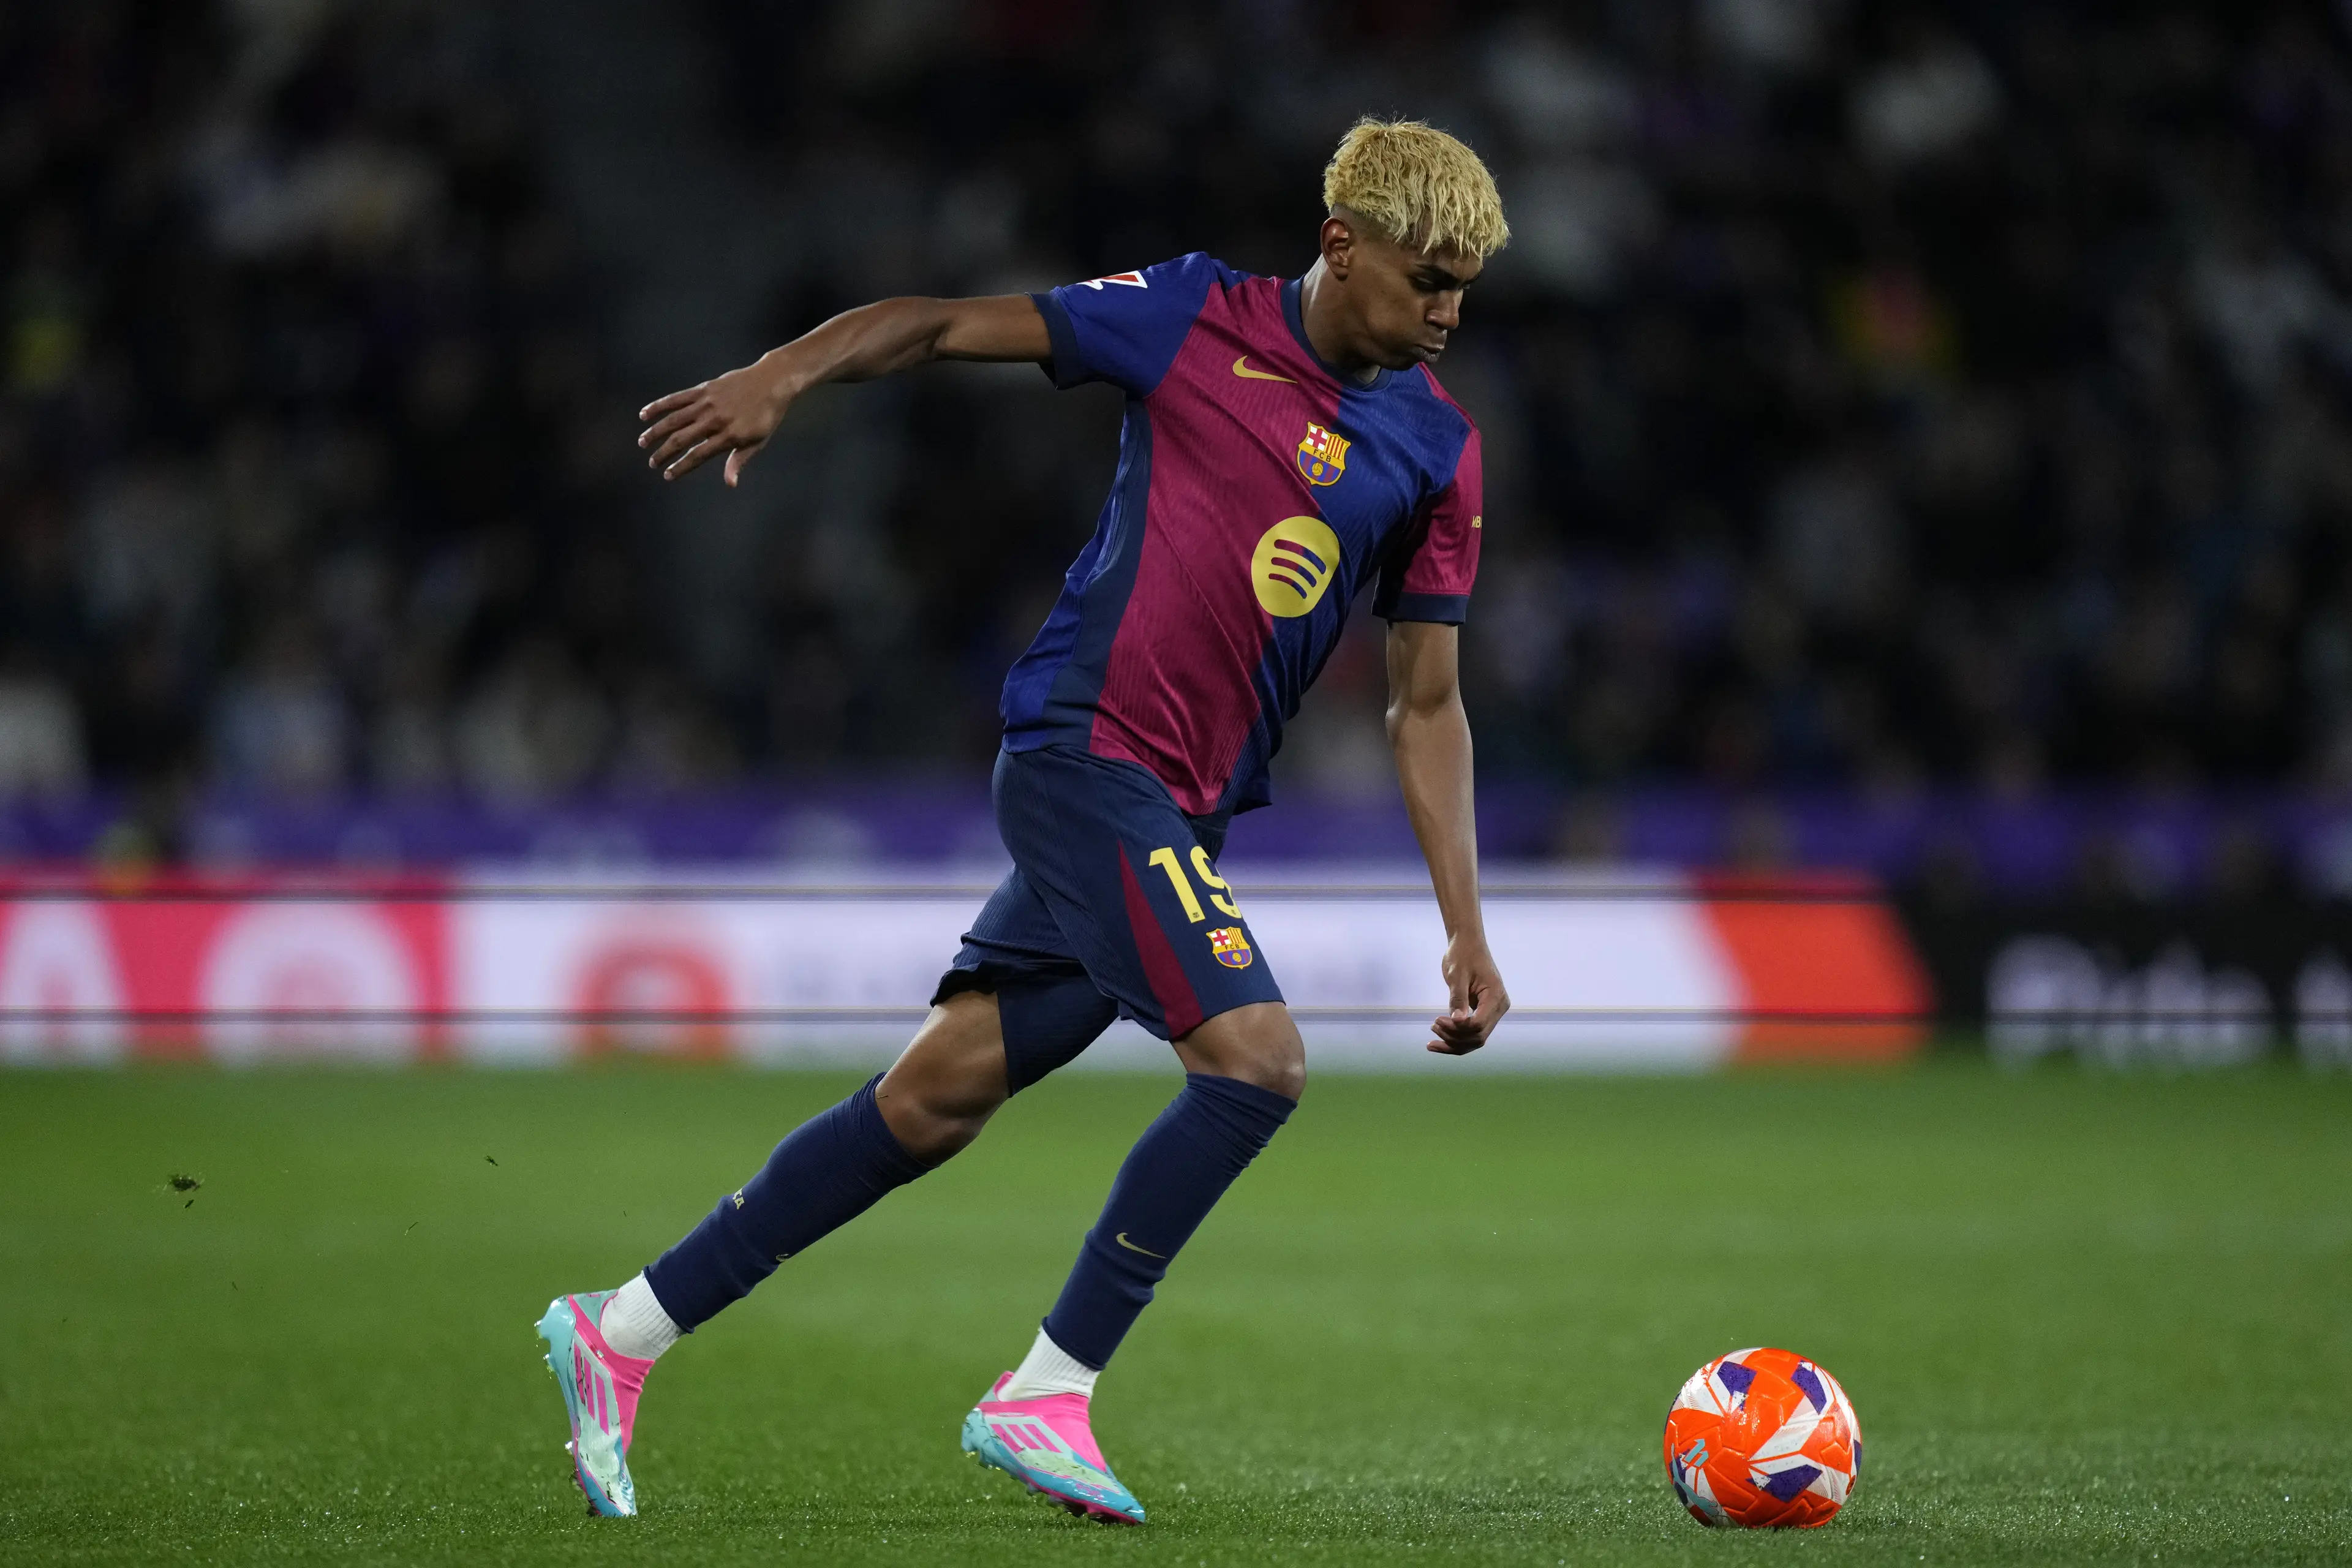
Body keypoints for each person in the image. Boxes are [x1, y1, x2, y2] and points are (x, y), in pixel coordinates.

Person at [536, 118, 1513, 1524]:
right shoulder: (1192, 316)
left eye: (1467, 284)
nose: (1449, 310)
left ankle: (620, 1328)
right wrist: (782, 372)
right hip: (1080, 758)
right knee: (1256, 1063)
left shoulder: (1440, 452)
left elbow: (1427, 705)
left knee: (930, 1102)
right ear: (1341, 244)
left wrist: (1465, 928)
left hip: (1186, 809)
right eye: (1429, 276)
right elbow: (936, 327)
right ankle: (1048, 1388)